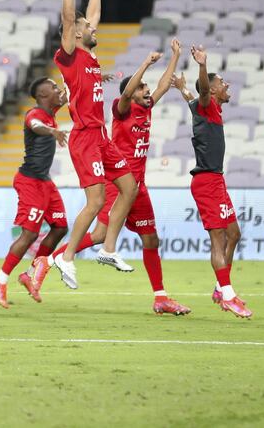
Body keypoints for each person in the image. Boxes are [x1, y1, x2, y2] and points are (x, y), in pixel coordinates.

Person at [44, 40, 191, 315]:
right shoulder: (121, 109)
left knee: (151, 240)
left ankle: (160, 297)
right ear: (131, 94)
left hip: (138, 187)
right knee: (99, 234)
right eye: (141, 88)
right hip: (118, 183)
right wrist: (145, 64)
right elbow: (126, 94)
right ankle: (51, 260)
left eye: (146, 88)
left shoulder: (146, 107)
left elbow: (163, 85)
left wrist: (175, 56)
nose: (147, 91)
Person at [52, 0, 138, 289]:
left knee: (129, 187)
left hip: (101, 137)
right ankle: (66, 256)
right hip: (85, 137)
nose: (91, 26)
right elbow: (70, 15)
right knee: (97, 201)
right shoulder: (70, 56)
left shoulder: (90, 53)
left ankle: (108, 248)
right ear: (74, 34)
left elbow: (94, 13)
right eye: (85, 27)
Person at [174, 47, 251, 318]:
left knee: (234, 234)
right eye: (222, 83)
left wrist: (183, 89)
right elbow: (203, 92)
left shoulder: (208, 109)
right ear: (214, 90)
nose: (226, 84)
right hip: (207, 181)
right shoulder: (207, 105)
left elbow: (194, 97)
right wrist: (203, 66)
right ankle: (228, 295)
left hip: (216, 180)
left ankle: (221, 287)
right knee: (218, 239)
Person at [0, 77, 69, 309]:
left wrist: (94, 80)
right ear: (43, 95)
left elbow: (69, 94)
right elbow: (36, 126)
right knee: (29, 235)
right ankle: (0, 279)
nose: (58, 90)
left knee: (60, 227)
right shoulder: (33, 115)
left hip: (44, 181)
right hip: (29, 181)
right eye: (53, 88)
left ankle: (30, 273)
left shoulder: (50, 109)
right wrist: (52, 132)